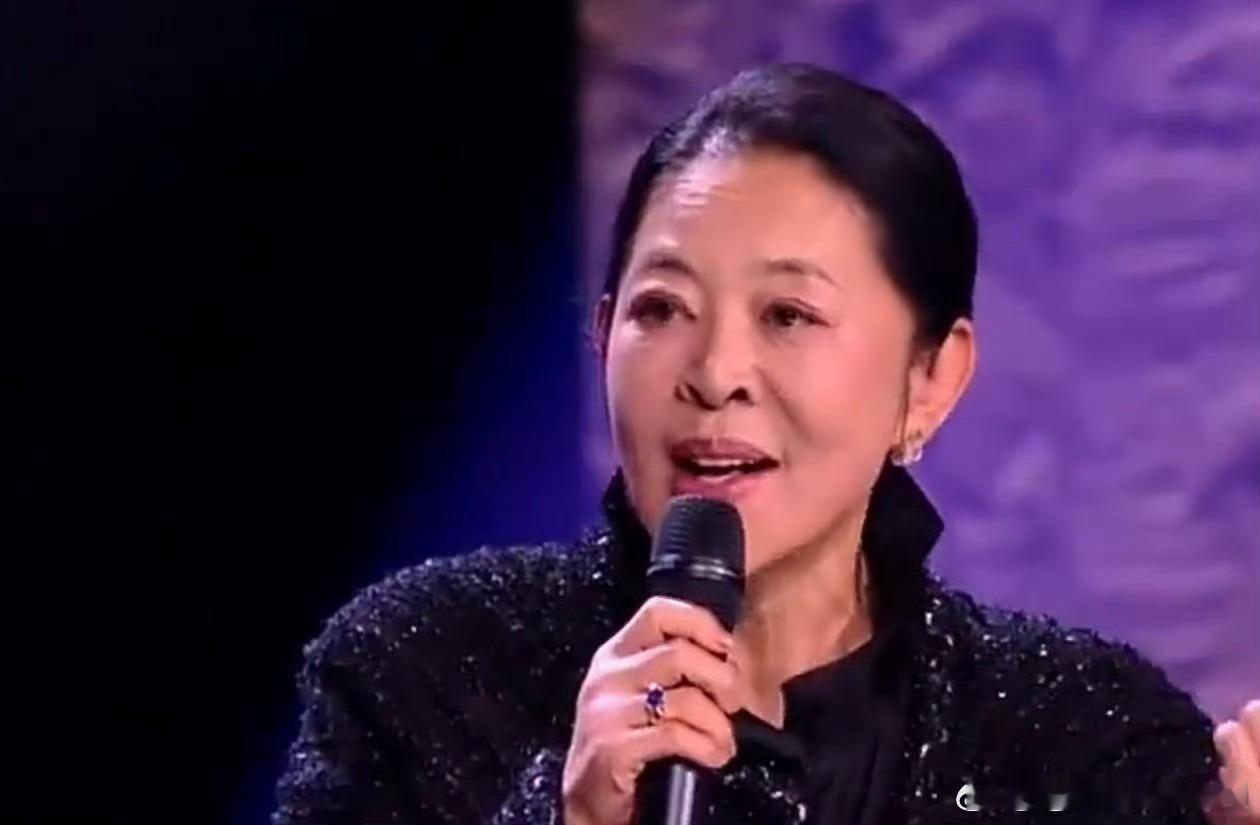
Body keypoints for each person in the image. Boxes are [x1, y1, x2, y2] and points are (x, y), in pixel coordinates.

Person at [272, 63, 1259, 825]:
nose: (714, 373)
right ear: (601, 334)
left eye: (788, 314)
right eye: (662, 309)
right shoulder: (423, 677)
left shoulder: (1080, 741)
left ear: (931, 377)